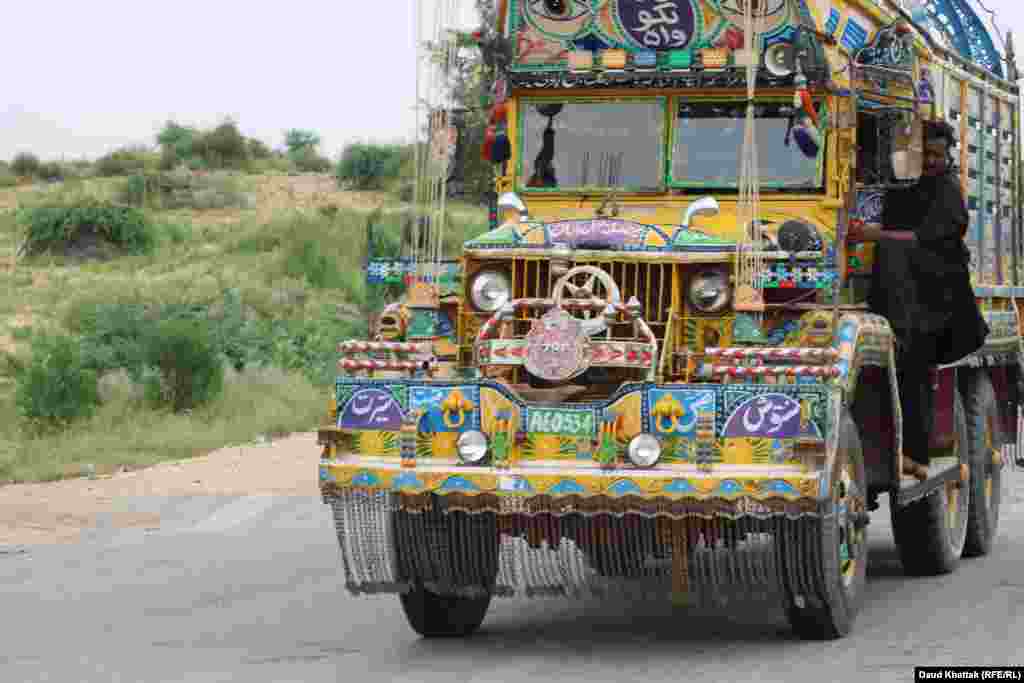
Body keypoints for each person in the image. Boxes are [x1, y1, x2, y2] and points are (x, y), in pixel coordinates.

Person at [848, 119, 989, 480]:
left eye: (936, 155)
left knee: (914, 376)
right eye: (924, 154)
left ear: (947, 155)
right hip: (907, 303)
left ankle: (915, 456)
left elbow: (924, 240)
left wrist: (873, 235)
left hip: (935, 306)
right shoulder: (907, 184)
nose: (930, 161)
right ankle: (907, 454)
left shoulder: (946, 191)